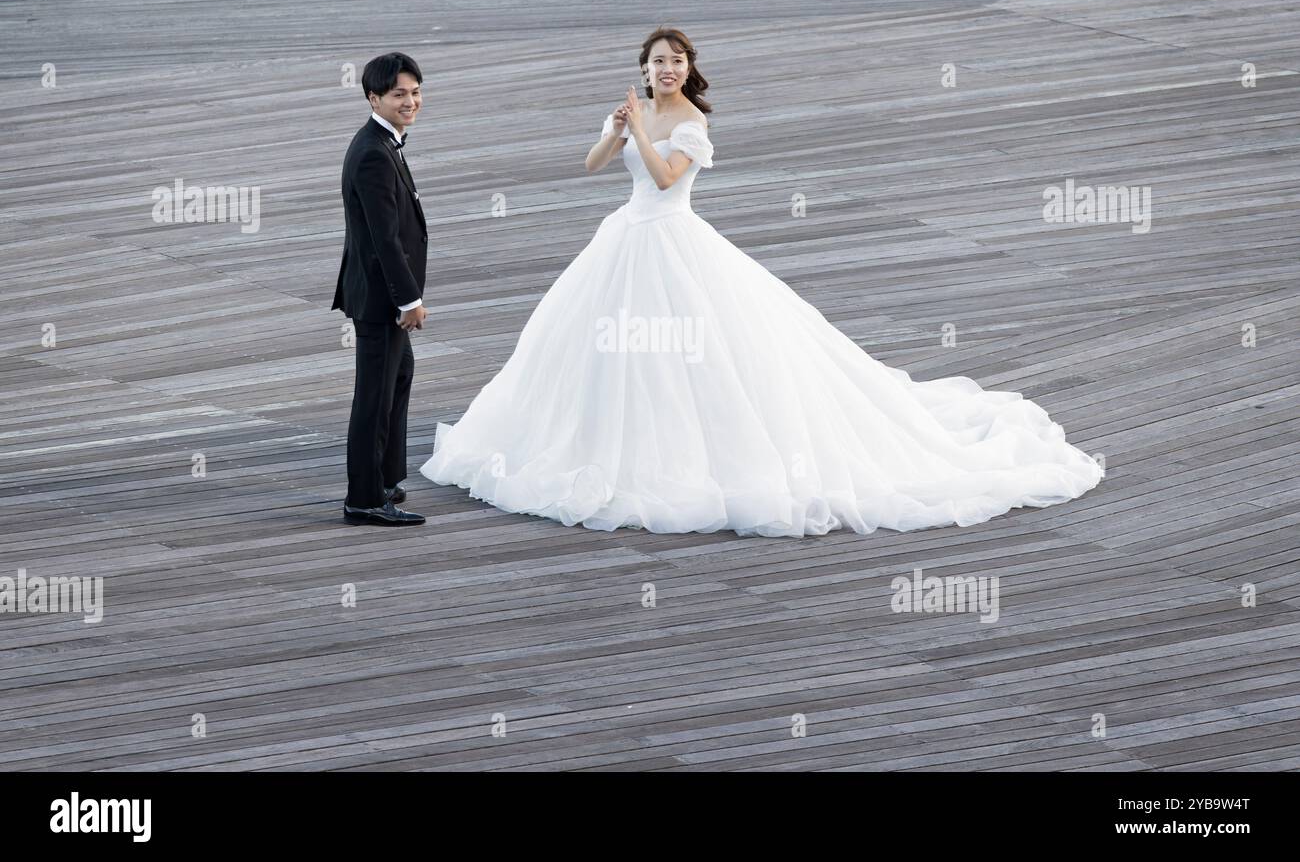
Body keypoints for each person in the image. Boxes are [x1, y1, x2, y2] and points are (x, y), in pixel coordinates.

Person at [420, 27, 1103, 537]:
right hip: (624, 238)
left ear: (689, 69)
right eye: (657, 61)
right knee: (610, 354)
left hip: (674, 241)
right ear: (644, 68)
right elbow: (594, 161)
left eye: (675, 61)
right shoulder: (637, 111)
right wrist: (618, 126)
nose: (665, 70)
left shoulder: (691, 123)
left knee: (701, 353)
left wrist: (647, 134)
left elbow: (664, 179)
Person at [333, 52, 429, 526]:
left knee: (399, 376)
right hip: (380, 299)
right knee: (373, 394)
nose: (409, 101)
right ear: (374, 98)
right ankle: (364, 498)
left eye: (414, 92)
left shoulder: (384, 142)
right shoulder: (373, 153)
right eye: (398, 95)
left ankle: (386, 477)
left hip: (379, 293)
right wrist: (408, 300)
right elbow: (383, 239)